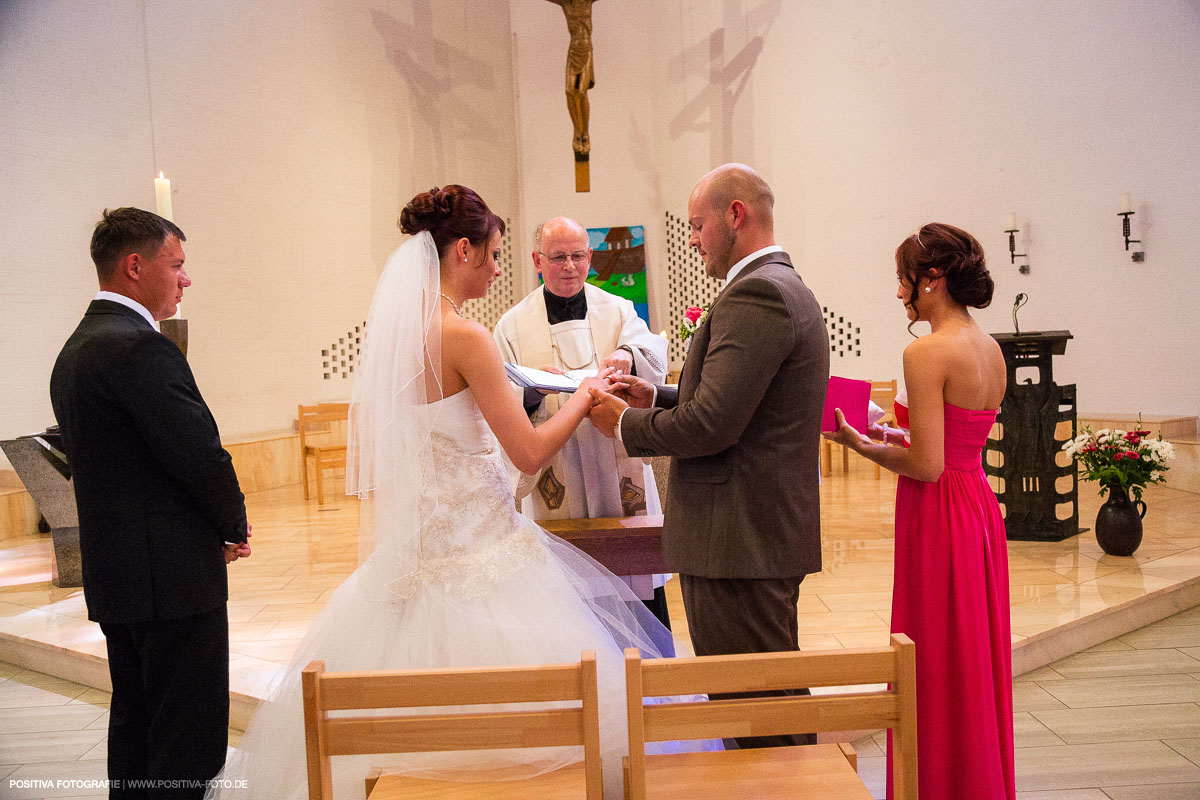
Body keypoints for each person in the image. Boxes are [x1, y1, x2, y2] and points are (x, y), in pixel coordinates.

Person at [211, 186, 703, 800]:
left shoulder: (398, 334)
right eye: (493, 254)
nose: (499, 268)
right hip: (482, 555)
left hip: (413, 556)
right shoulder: (466, 336)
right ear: (462, 249)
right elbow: (526, 450)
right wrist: (581, 397)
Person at [589, 163, 829, 749]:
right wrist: (660, 396)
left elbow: (714, 425)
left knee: (755, 715)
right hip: (750, 535)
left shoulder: (759, 293)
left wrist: (624, 424)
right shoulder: (780, 285)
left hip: (738, 539)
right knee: (765, 701)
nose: (691, 238)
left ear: (736, 215)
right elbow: (743, 405)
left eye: (696, 225)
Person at [49, 207, 252, 799]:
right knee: (186, 741)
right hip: (172, 582)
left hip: (119, 577)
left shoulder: (76, 349)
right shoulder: (141, 348)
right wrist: (232, 523)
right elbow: (198, 454)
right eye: (178, 264)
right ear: (135, 266)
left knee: (136, 730)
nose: (186, 279)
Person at [823, 223, 1014, 799]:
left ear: (930, 280)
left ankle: (943, 784)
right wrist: (896, 430)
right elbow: (954, 443)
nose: (899, 291)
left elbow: (929, 466)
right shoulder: (989, 347)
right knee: (971, 654)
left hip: (940, 515)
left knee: (934, 655)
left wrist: (861, 444)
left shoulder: (924, 351)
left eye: (903, 279)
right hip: (978, 505)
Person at [493, 216, 672, 628]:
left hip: (615, 460)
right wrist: (535, 391)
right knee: (571, 603)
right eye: (558, 257)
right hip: (560, 466)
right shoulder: (512, 325)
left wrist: (627, 354)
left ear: (590, 257)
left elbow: (649, 349)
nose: (569, 266)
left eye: (577, 256)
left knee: (636, 586)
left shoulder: (618, 309)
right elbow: (502, 396)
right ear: (538, 260)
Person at [544, 0, 596, 157]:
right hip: (573, 51)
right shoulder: (566, 4)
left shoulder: (587, 2)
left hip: (586, 51)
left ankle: (585, 133)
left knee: (581, 92)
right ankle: (576, 131)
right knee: (568, 91)